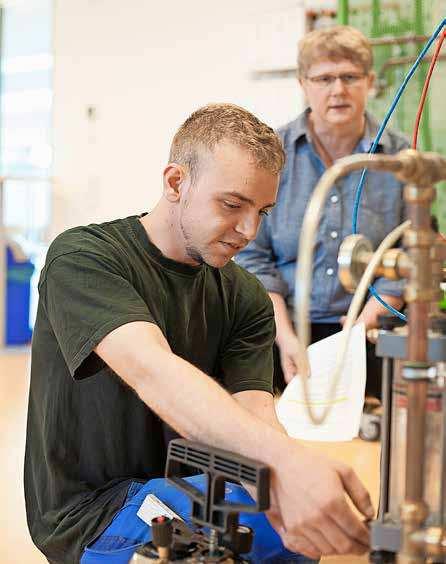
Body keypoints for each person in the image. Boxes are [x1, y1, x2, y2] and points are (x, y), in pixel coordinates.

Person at [25, 103, 374, 564]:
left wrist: (286, 486)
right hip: (94, 509)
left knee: (294, 541)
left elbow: (255, 416)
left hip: (198, 486)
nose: (249, 230)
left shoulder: (246, 295)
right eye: (232, 205)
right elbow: (154, 371)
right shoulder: (84, 258)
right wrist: (288, 463)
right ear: (176, 183)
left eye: (263, 212)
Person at [236, 26, 409, 396]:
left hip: (370, 331)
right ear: (303, 84)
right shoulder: (272, 154)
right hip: (281, 330)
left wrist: (363, 326)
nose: (338, 90)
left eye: (350, 77)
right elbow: (253, 257)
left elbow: (409, 252)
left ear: (370, 82)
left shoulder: (399, 158)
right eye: (324, 78)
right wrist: (285, 338)